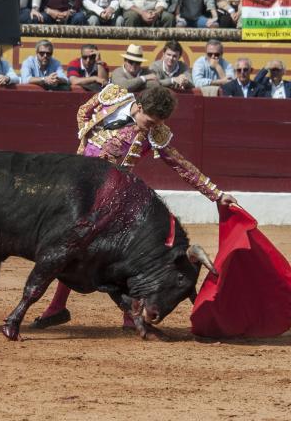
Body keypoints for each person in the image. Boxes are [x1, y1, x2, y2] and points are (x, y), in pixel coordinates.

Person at [30, 84, 238, 330]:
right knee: (70, 249)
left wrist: (216, 194)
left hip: (108, 201)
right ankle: (64, 308)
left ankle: (114, 314)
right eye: (149, 121)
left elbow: (181, 166)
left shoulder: (154, 134)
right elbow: (83, 111)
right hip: (77, 192)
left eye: (156, 124)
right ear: (138, 106)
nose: (151, 127)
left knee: (97, 253)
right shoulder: (114, 97)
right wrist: (84, 137)